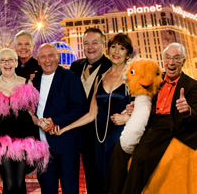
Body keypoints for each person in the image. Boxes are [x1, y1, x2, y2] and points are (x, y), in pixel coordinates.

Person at [106, 42, 197, 194]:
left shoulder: (192, 85)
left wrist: (187, 110)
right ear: (163, 60)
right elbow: (144, 97)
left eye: (176, 58)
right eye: (167, 58)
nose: (171, 62)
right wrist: (134, 107)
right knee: (119, 149)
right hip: (151, 120)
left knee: (141, 156)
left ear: (183, 61)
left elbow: (196, 113)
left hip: (171, 124)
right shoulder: (156, 78)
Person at [53, 33, 133, 193]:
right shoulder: (101, 77)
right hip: (98, 138)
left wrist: (129, 115)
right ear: (108, 49)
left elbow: (146, 103)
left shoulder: (133, 75)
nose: (116, 52)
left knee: (121, 183)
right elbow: (91, 114)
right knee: (98, 182)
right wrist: (65, 128)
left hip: (121, 137)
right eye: (114, 47)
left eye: (122, 48)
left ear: (128, 53)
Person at [0, 48, 49, 194]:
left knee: (19, 183)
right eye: (3, 60)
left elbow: (31, 113)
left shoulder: (27, 84)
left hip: (23, 141)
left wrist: (39, 122)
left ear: (16, 63)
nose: (7, 63)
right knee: (9, 184)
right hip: (1, 144)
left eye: (10, 59)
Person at [33, 43, 87, 194]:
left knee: (70, 189)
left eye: (51, 55)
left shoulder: (70, 77)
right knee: (47, 189)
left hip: (66, 143)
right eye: (43, 56)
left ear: (57, 57)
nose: (47, 60)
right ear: (38, 60)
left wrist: (55, 121)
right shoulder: (35, 79)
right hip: (42, 147)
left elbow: (80, 108)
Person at [69, 27, 111, 194]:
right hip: (78, 134)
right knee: (86, 178)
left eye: (95, 43)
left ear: (103, 44)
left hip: (101, 134)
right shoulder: (75, 66)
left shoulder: (111, 67)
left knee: (103, 178)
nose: (90, 47)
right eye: (86, 43)